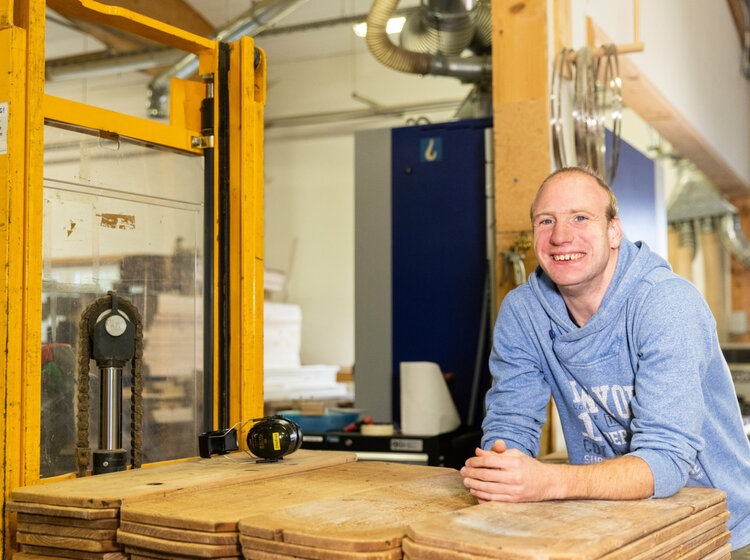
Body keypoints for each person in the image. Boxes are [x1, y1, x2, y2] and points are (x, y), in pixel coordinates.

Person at [460, 167, 750, 554]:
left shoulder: (666, 303)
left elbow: (666, 461)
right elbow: (510, 423)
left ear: (614, 231)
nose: (560, 236)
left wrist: (550, 482)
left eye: (580, 217)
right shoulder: (523, 312)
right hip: (614, 522)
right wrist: (500, 470)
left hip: (720, 532)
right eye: (546, 221)